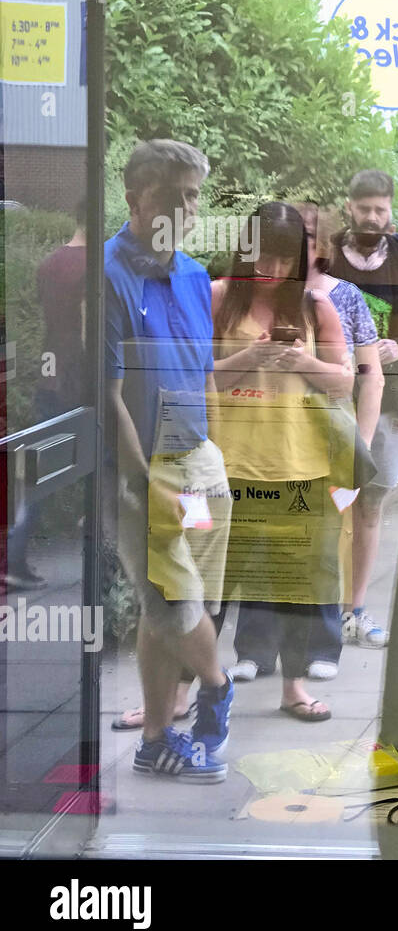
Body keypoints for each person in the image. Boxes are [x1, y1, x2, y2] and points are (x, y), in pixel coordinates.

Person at [104, 139, 233, 782]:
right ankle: (218, 689)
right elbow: (106, 397)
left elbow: (203, 369)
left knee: (174, 610)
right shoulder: (106, 275)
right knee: (176, 602)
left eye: (193, 195)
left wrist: (216, 455)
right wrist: (141, 481)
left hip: (201, 469)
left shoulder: (190, 274)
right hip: (144, 472)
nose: (187, 207)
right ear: (134, 197)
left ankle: (156, 739)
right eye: (173, 194)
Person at [209, 202, 354, 721]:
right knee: (209, 587)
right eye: (261, 256)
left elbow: (344, 381)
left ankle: (293, 688)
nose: (270, 269)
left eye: (282, 259)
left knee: (294, 584)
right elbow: (198, 376)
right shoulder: (220, 297)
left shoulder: (316, 307)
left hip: (300, 464)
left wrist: (302, 361)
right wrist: (249, 357)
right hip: (226, 464)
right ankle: (186, 690)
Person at [324, 170, 398, 648]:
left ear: (391, 211)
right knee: (323, 507)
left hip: (391, 405)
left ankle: (356, 612)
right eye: (364, 207)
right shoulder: (323, 260)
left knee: (370, 505)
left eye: (380, 209)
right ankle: (320, 615)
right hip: (325, 404)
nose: (372, 217)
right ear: (349, 207)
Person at [296, 203, 384, 679]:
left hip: (334, 440)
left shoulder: (347, 297)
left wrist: (360, 444)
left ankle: (339, 627)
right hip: (280, 442)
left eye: (309, 236)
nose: (301, 245)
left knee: (337, 533)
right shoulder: (267, 295)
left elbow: (371, 377)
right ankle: (276, 645)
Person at [7, 198, 89, 590]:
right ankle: (100, 557)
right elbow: (88, 330)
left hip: (49, 373)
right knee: (103, 464)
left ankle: (13, 556)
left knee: (38, 474)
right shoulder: (96, 266)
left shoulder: (49, 264)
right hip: (79, 378)